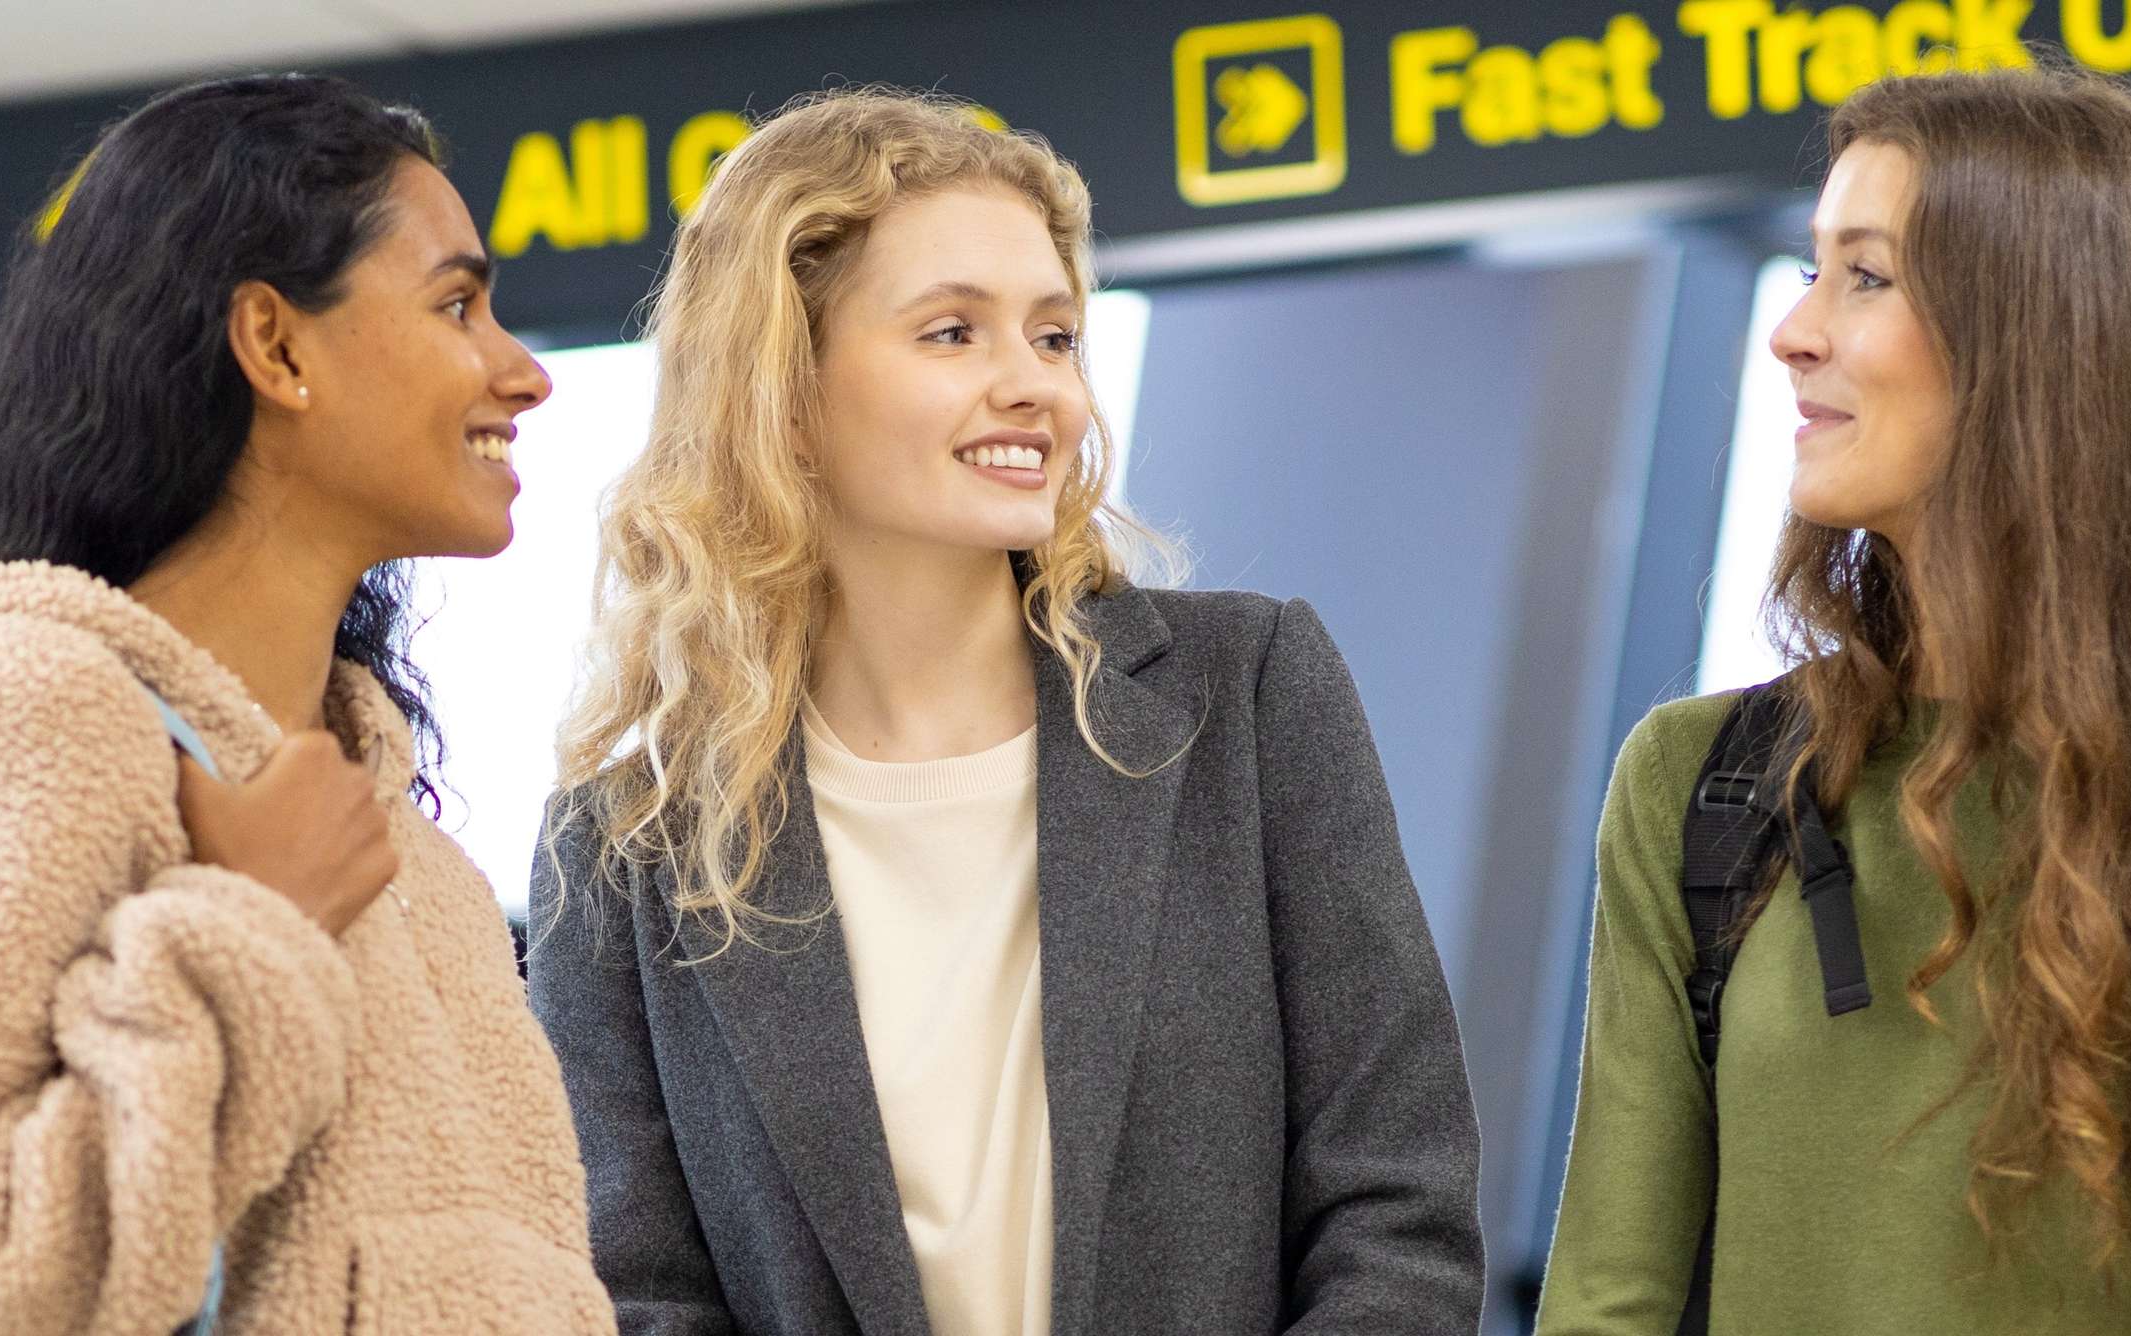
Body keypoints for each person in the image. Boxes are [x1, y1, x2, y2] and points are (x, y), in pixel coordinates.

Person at [523, 88, 1486, 1336]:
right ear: (784, 391)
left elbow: (1397, 1206)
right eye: (951, 334)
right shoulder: (622, 851)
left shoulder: (1248, 692)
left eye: (1054, 335)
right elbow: (637, 1295)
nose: (1035, 388)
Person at [1536, 65, 2131, 1336]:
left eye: (1865, 276)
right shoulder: (1696, 786)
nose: (1794, 329)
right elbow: (1607, 1309)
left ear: (2046, 339)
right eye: (1814, 268)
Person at [0, 73, 610, 1334]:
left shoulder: (417, 863)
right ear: (274, 345)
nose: (521, 371)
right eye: (458, 304)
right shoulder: (40, 708)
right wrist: (245, 925)